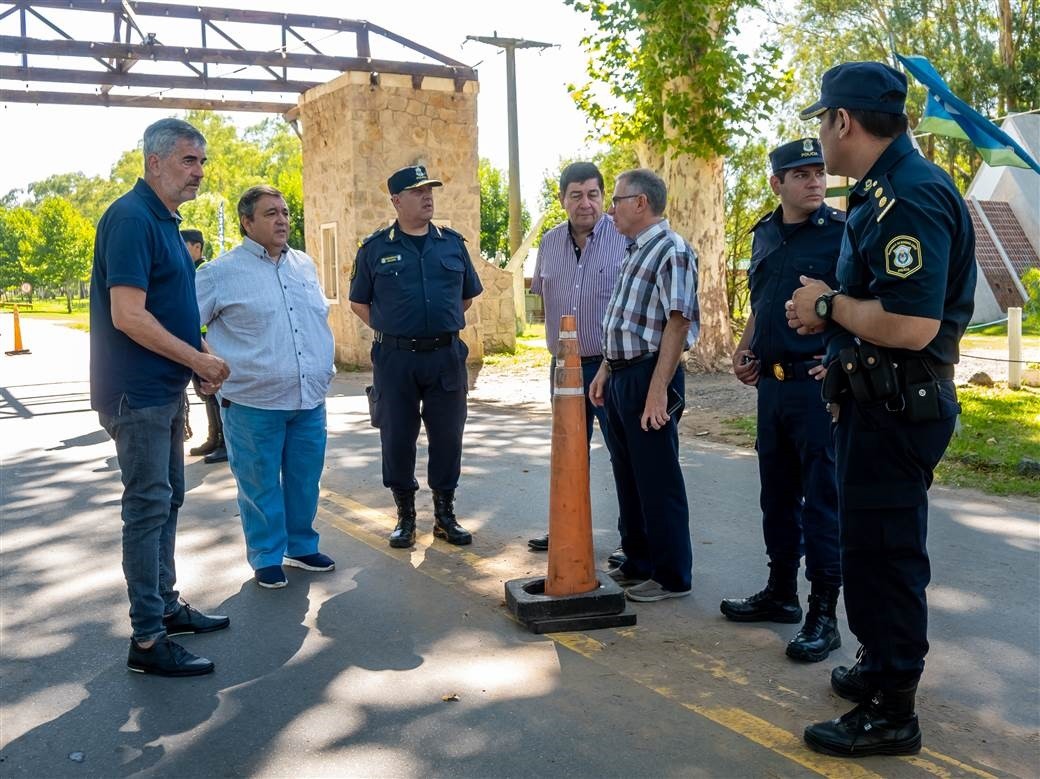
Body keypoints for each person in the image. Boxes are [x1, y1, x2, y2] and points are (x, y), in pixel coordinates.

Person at [787, 61, 976, 757]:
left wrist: (826, 304)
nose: (819, 139)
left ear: (844, 120)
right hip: (876, 400)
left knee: (887, 556)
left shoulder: (910, 196)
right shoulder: (884, 191)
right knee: (867, 549)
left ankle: (892, 709)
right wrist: (835, 339)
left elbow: (913, 324)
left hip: (899, 409)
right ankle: (878, 664)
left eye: (822, 121)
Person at [90, 117, 231, 677]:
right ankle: (147, 640)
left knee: (167, 501)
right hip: (136, 395)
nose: (199, 171)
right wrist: (197, 358)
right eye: (188, 160)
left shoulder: (167, 222)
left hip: (164, 390)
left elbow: (173, 308)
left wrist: (193, 362)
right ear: (154, 162)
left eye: (201, 161)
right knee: (147, 511)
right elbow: (128, 315)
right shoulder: (130, 218)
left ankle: (166, 608)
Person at [720, 138, 844, 663]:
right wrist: (746, 346)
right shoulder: (765, 234)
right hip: (770, 387)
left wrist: (840, 357)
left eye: (818, 172)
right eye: (801, 174)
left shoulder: (842, 233)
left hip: (817, 388)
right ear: (778, 184)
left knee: (821, 503)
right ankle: (780, 593)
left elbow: (859, 302)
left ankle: (824, 614)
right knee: (777, 495)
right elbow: (764, 298)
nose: (814, 181)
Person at [196, 185, 337, 589]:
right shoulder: (219, 273)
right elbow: (184, 321)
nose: (282, 220)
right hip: (252, 401)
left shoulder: (304, 265)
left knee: (304, 478)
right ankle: (267, 555)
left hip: (308, 399)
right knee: (258, 484)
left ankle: (300, 545)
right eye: (271, 213)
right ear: (247, 222)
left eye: (286, 212)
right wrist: (203, 363)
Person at [349, 165, 483, 549]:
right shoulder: (376, 248)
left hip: (445, 355)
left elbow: (467, 295)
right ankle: (405, 517)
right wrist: (394, 326)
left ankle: (444, 516)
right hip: (395, 359)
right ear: (396, 200)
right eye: (417, 191)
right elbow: (359, 301)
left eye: (430, 190)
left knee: (447, 437)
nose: (427, 197)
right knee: (397, 438)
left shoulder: (452, 244)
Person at [588, 168, 699, 603]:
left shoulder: (672, 249)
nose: (610, 208)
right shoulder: (634, 250)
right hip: (621, 375)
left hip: (651, 375)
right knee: (628, 474)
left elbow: (679, 321)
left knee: (657, 479)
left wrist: (658, 390)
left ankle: (672, 575)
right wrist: (605, 370)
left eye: (616, 200)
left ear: (641, 203)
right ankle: (638, 561)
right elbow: (622, 321)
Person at [527, 161, 627, 566]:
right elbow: (542, 300)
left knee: (623, 455)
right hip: (563, 369)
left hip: (610, 368)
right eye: (576, 195)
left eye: (593, 194)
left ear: (604, 197)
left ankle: (630, 541)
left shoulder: (624, 239)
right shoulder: (549, 244)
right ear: (562, 199)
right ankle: (566, 528)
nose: (585, 203)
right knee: (568, 452)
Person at [181, 228, 227, 464]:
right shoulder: (190, 270)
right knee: (205, 394)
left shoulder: (203, 271)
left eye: (184, 244)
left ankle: (224, 442)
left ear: (197, 247)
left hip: (206, 340)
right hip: (196, 339)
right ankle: (213, 437)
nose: (180, 249)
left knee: (214, 392)